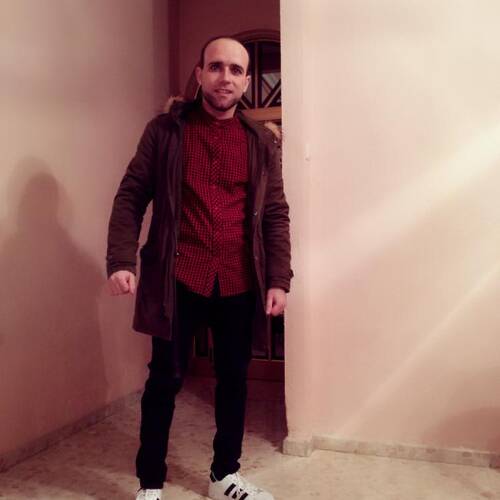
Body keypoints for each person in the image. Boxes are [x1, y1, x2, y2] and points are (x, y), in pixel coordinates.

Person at [106, 36, 292, 500]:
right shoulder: (165, 132)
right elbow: (131, 195)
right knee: (165, 379)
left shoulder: (260, 142)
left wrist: (278, 278)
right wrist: (121, 259)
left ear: (246, 81)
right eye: (216, 67)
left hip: (238, 279)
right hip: (177, 278)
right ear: (199, 74)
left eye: (235, 70)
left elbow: (275, 213)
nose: (225, 77)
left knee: (234, 381)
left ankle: (224, 475)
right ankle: (150, 483)